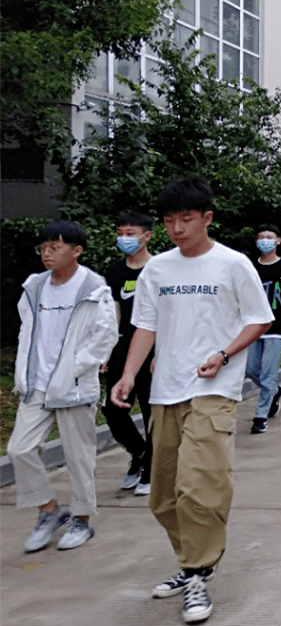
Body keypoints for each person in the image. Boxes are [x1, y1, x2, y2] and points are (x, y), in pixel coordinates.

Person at [111, 176, 273, 624]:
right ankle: (191, 563)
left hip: (214, 389)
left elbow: (259, 319)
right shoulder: (158, 269)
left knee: (200, 486)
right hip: (165, 392)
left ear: (207, 219)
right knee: (163, 497)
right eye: (169, 221)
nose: (178, 229)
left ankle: (197, 571)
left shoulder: (233, 264)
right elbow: (145, 325)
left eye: (186, 219)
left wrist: (223, 355)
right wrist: (128, 375)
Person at [10, 220, 118, 553]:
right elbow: (28, 332)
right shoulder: (34, 287)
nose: (47, 254)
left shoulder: (93, 287)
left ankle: (82, 521)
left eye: (55, 247)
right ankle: (50, 511)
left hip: (72, 386)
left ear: (76, 251)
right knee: (20, 449)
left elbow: (106, 336)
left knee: (79, 457)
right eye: (43, 248)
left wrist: (76, 367)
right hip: (37, 386)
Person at [103, 211, 155, 495]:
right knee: (113, 410)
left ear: (146, 236)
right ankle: (139, 452)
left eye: (131, 233)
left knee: (151, 411)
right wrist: (106, 351)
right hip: (123, 347)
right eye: (121, 232)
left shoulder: (160, 269)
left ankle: (151, 468)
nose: (124, 238)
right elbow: (114, 312)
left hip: (154, 349)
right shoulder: (114, 272)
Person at [248, 224, 281, 434]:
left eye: (269, 237)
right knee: (250, 369)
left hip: (276, 327)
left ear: (278, 241)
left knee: (268, 373)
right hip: (252, 327)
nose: (264, 240)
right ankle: (275, 392)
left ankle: (261, 416)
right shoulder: (250, 268)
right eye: (261, 237)